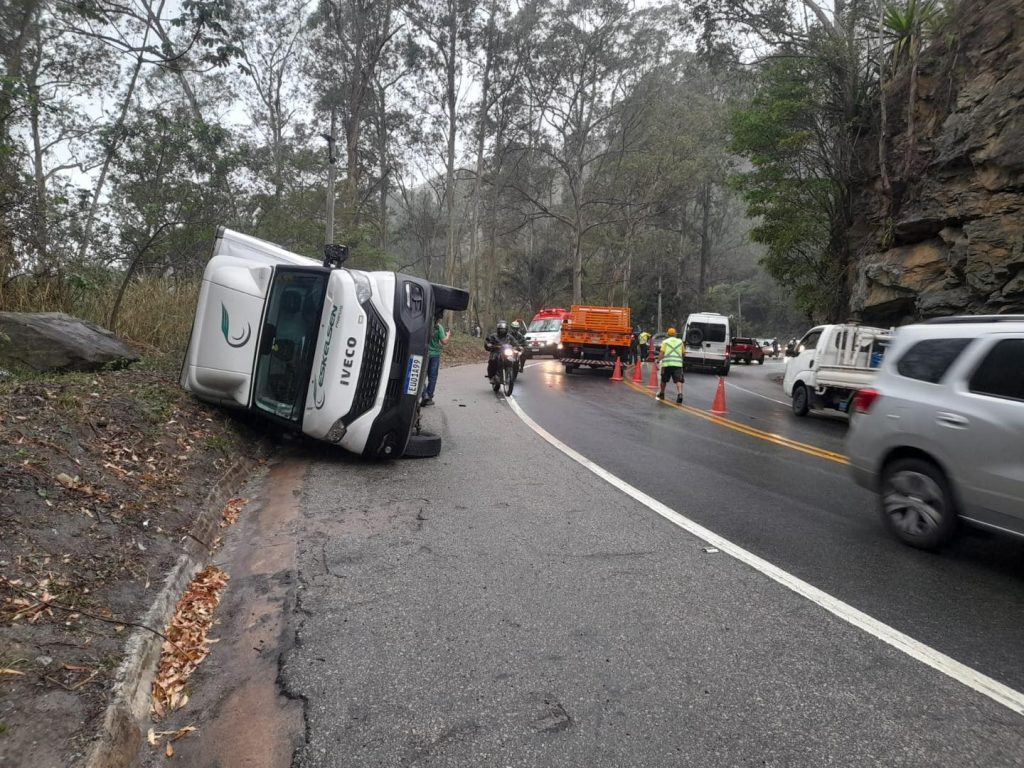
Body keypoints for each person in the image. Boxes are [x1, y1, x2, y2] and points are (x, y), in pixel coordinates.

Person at [421, 311, 451, 406]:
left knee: (421, 375)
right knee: (432, 377)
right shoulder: (439, 327)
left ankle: (424, 394)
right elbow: (444, 342)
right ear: (439, 319)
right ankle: (429, 397)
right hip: (435, 355)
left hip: (425, 353)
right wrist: (448, 335)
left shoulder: (425, 325)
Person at [657, 327, 685, 403]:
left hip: (667, 364)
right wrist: (681, 360)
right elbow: (683, 353)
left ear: (667, 334)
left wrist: (658, 361)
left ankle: (662, 393)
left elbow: (662, 353)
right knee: (679, 380)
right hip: (677, 364)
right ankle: (680, 394)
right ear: (675, 334)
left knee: (664, 379)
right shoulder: (680, 342)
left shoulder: (665, 342)